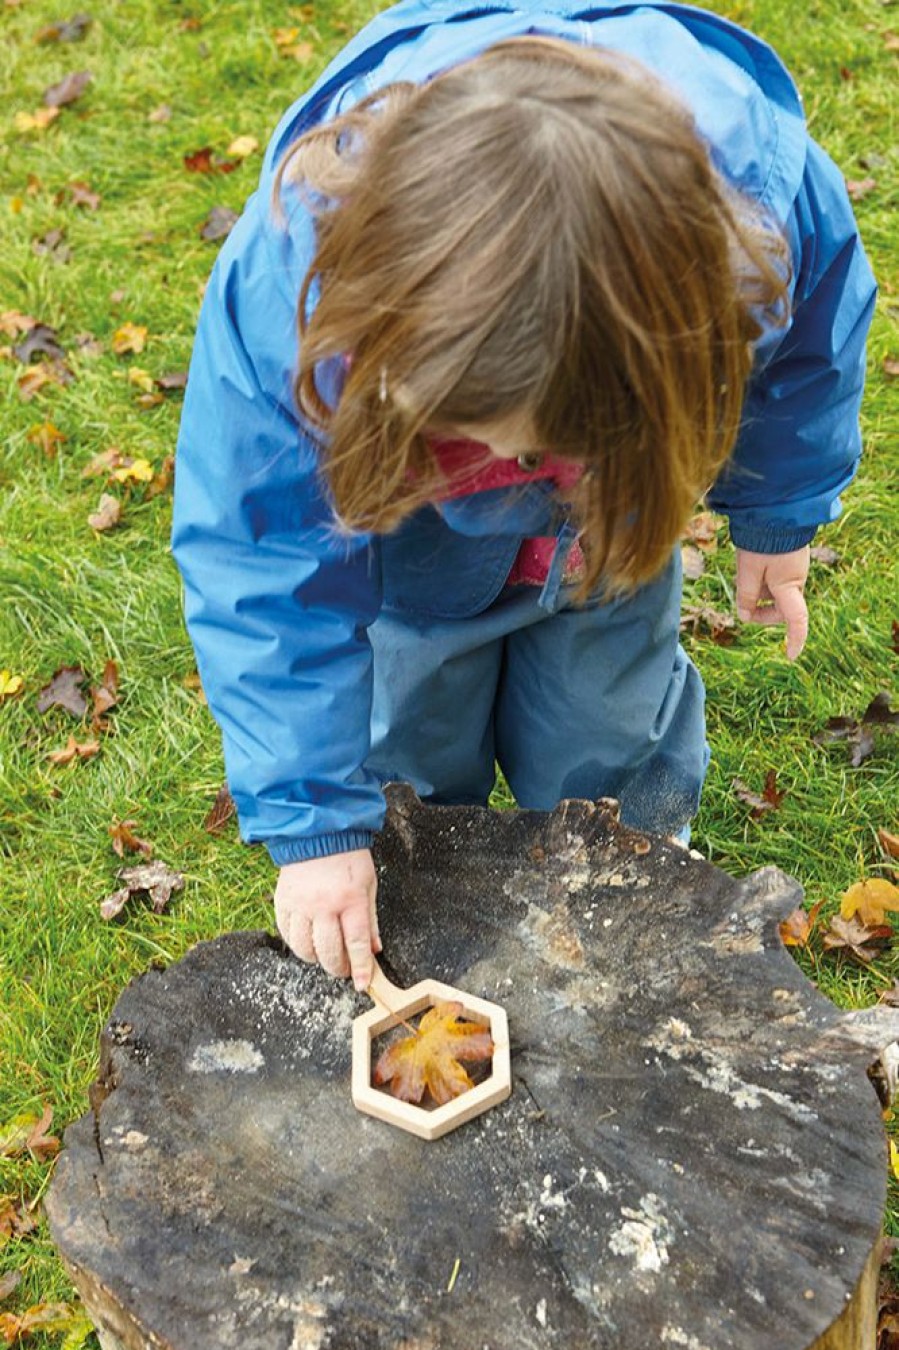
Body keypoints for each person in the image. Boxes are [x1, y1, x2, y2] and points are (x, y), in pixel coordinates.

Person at [171, 0, 875, 993]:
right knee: (410, 739)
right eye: (468, 427)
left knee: (609, 729)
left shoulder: (759, 220)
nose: (509, 461)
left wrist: (776, 513)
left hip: (610, 538)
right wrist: (314, 821)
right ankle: (421, 893)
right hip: (406, 556)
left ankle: (626, 899)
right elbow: (258, 555)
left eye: (556, 436)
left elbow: (807, 358)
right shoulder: (293, 296)